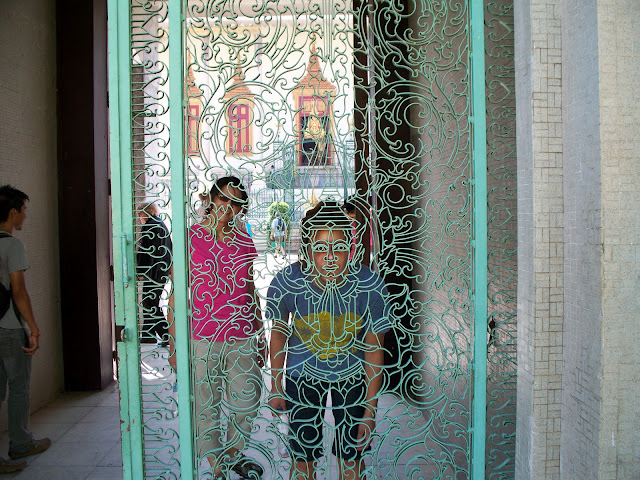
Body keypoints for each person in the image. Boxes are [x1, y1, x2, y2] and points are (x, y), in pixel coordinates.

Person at [266, 200, 392, 480]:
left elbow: (374, 349)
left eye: (339, 247)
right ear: (308, 247)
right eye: (321, 247)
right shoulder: (288, 282)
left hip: (353, 380)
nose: (331, 257)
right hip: (302, 378)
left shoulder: (368, 285)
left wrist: (370, 410)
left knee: (352, 459)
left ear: (351, 246)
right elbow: (278, 335)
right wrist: (275, 384)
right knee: (303, 460)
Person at [169, 176, 264, 479]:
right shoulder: (189, 238)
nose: (229, 206)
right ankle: (217, 465)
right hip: (202, 337)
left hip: (241, 334)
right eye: (224, 198)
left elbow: (250, 288)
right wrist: (174, 344)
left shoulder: (244, 239)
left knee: (247, 401)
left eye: (236, 202)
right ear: (211, 199)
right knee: (205, 405)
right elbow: (176, 295)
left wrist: (260, 333)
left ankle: (233, 454)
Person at [0, 185, 51, 473]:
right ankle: (20, 443)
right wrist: (33, 329)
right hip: (8, 328)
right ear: (12, 213)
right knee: (18, 388)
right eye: (23, 210)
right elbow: (18, 292)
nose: (25, 216)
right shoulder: (11, 245)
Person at [137, 201, 172, 346]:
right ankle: (148, 335)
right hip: (160, 270)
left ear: (145, 212)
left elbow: (146, 252)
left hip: (153, 272)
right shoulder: (160, 224)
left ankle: (166, 335)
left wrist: (141, 271)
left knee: (150, 303)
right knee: (149, 302)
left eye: (139, 213)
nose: (139, 217)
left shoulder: (150, 226)